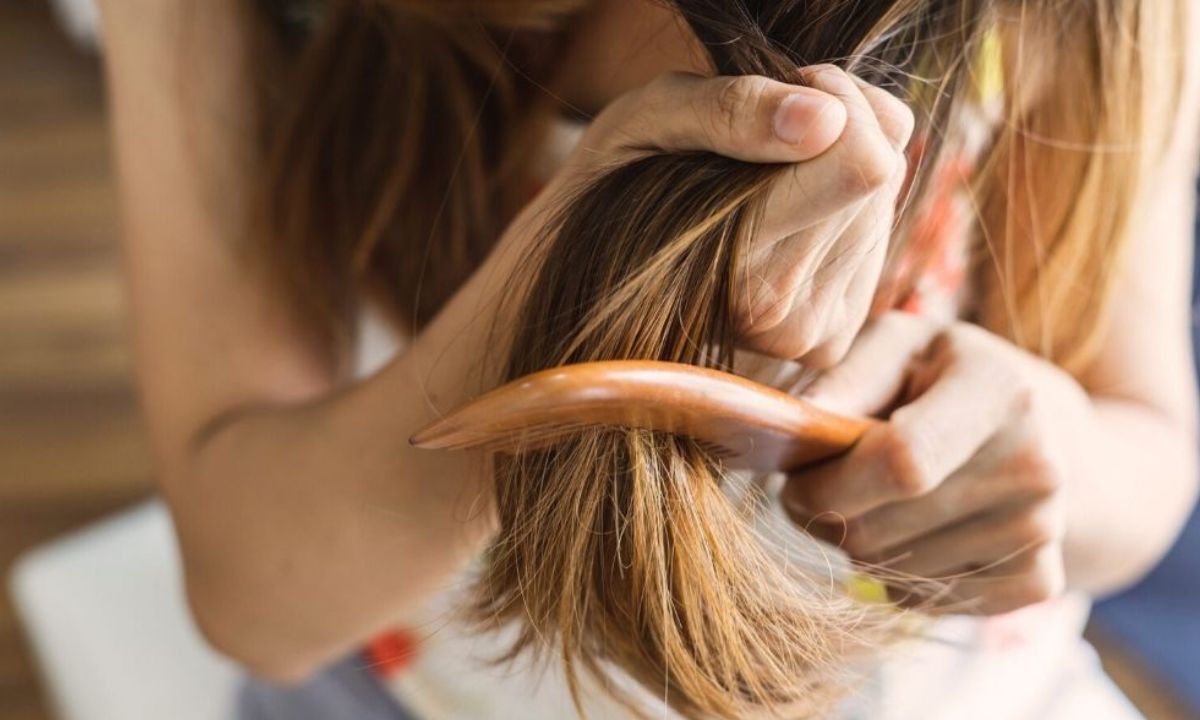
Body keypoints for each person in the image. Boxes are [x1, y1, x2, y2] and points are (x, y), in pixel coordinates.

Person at [95, 0, 1200, 717]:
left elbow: (1144, 456)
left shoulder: (1087, 20)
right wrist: (559, 274)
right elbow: (254, 600)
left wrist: (1050, 459)